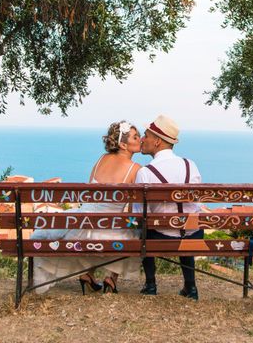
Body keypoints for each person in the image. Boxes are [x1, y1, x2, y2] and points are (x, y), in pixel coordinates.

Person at [31, 121, 142, 294]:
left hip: (84, 224)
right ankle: (110, 279)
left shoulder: (101, 160)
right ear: (123, 144)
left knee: (104, 226)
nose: (140, 139)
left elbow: (90, 192)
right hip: (109, 228)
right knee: (133, 232)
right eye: (136, 137)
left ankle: (87, 275)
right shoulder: (135, 169)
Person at [135, 114, 203, 300]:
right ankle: (191, 287)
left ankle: (150, 285)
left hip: (161, 236)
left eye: (146, 135)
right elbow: (195, 204)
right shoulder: (191, 165)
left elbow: (139, 213)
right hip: (194, 234)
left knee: (145, 225)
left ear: (157, 141)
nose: (142, 139)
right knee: (186, 224)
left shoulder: (145, 173)